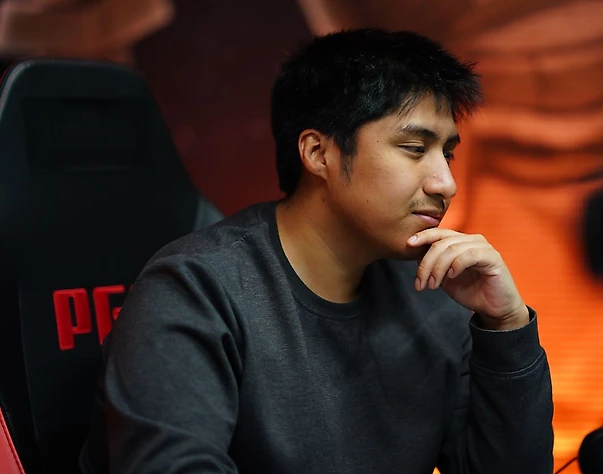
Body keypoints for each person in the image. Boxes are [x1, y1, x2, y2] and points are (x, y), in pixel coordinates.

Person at [79, 28, 554, 474]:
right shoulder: (193, 291)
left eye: (447, 153)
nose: (446, 183)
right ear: (317, 153)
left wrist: (506, 325)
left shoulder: (433, 294)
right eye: (414, 147)